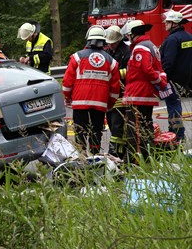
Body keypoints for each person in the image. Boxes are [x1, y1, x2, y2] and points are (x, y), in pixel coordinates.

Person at [62, 27, 120, 154]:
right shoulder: (112, 62)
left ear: (88, 39)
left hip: (79, 103)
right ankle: (95, 157)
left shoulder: (77, 57)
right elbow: (115, 89)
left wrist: (67, 96)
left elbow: (67, 81)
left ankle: (81, 158)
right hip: (100, 104)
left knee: (80, 131)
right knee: (96, 131)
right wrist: (109, 104)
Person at [122, 20, 170, 161]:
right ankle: (148, 157)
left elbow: (148, 70)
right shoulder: (152, 46)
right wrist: (161, 84)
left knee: (135, 130)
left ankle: (135, 161)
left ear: (132, 34)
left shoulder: (140, 48)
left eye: (128, 35)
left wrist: (159, 83)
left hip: (138, 95)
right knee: (146, 126)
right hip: (145, 95)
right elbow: (159, 70)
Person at [160, 10, 192, 143]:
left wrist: (162, 79)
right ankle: (177, 133)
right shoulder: (188, 36)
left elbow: (168, 63)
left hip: (172, 80)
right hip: (185, 80)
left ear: (174, 23)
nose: (165, 24)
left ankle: (177, 135)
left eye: (167, 22)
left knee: (173, 106)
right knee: (176, 105)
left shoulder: (172, 40)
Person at [104, 25, 130, 158]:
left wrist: (112, 74)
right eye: (108, 43)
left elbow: (129, 72)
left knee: (117, 126)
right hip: (111, 94)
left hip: (122, 94)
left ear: (119, 41)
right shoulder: (109, 51)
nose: (110, 45)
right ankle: (116, 151)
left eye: (112, 43)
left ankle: (118, 153)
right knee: (111, 123)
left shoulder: (127, 52)